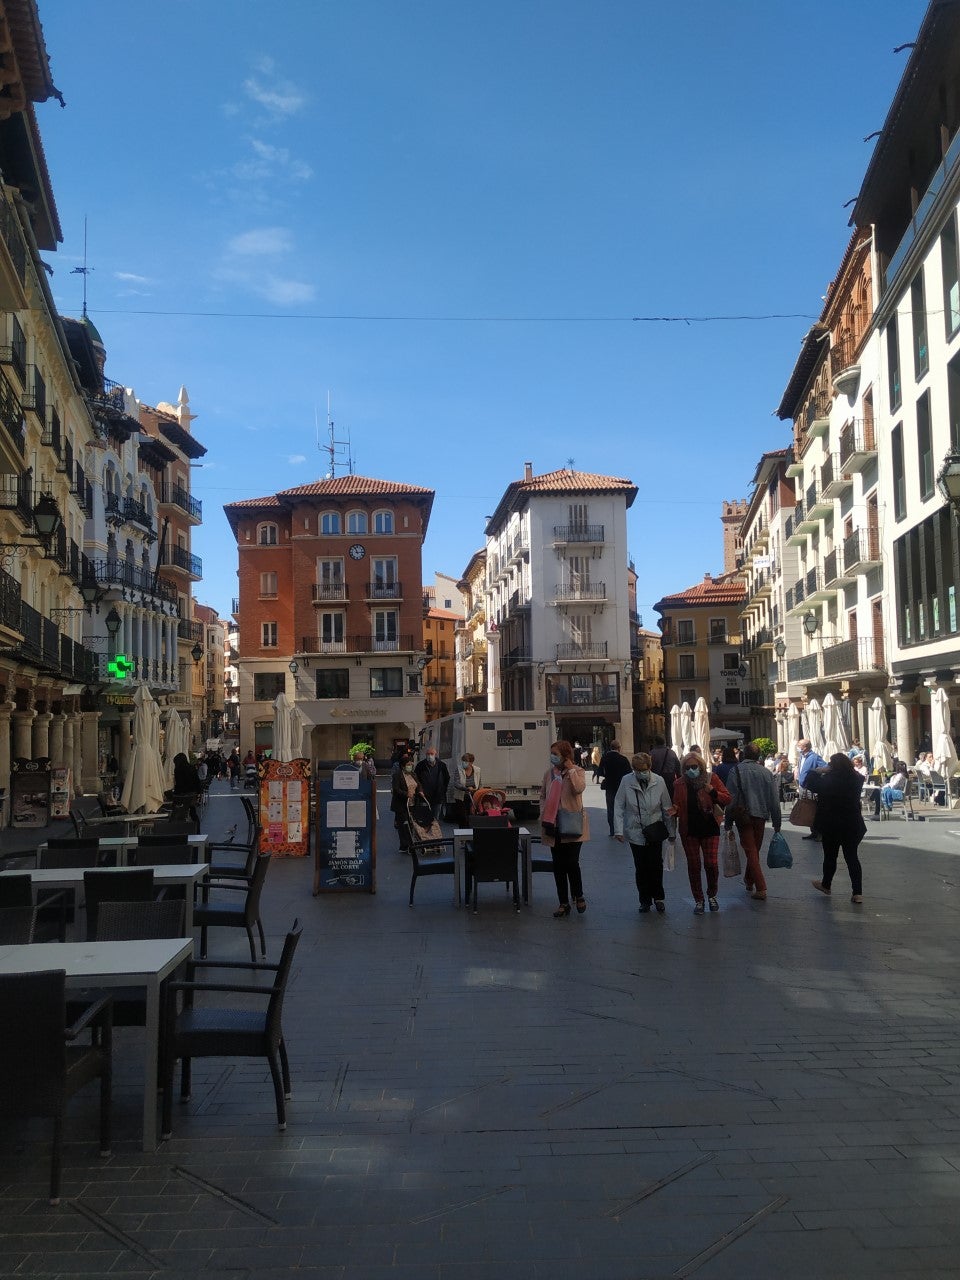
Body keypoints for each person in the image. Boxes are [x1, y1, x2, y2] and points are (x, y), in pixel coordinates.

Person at [613, 752, 676, 913]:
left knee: (656, 865)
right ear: (633, 769)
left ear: (649, 767)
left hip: (654, 829)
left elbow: (667, 807)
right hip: (635, 830)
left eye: (644, 769)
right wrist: (618, 830)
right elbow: (619, 805)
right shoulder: (626, 781)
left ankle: (659, 897)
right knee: (641, 867)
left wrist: (671, 831)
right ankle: (645, 900)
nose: (641, 772)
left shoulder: (659, 781)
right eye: (638, 770)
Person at [672, 751, 731, 914]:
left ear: (701, 766)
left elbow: (727, 798)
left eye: (694, 767)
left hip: (710, 826)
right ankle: (698, 899)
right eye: (687, 767)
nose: (691, 770)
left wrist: (713, 792)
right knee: (694, 866)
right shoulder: (679, 784)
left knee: (711, 864)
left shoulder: (712, 779)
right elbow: (677, 804)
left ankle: (712, 894)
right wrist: (674, 810)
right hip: (689, 829)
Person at [722, 741, 782, 901]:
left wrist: (728, 821)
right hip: (761, 816)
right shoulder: (766, 773)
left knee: (751, 850)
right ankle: (749, 881)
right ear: (758, 756)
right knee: (753, 849)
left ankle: (760, 887)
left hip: (743, 816)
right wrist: (777, 822)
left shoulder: (736, 771)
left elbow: (731, 798)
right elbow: (774, 800)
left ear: (743, 755)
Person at [806, 752, 867, 903]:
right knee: (852, 857)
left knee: (830, 856)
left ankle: (826, 884)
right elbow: (857, 776)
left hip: (831, 823)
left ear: (832, 766)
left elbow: (808, 782)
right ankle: (857, 892)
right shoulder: (857, 779)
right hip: (852, 823)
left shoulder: (828, 780)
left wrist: (817, 771)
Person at [539, 740, 589, 917]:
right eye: (551, 753)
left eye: (556, 754)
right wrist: (545, 812)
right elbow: (543, 795)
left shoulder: (578, 771)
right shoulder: (549, 774)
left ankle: (579, 895)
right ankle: (563, 902)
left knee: (572, 862)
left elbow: (579, 789)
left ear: (565, 756)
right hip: (553, 825)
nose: (553, 757)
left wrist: (571, 769)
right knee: (558, 866)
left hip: (572, 824)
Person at [391, 753, 435, 851]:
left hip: (413, 803)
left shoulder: (413, 774)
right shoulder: (397, 775)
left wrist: (420, 791)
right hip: (401, 804)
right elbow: (396, 789)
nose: (410, 766)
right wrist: (406, 794)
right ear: (403, 765)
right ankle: (405, 846)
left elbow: (418, 784)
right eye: (408, 765)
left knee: (412, 824)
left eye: (411, 764)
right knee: (404, 825)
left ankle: (412, 843)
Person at [598, 740, 632, 837]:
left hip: (610, 786)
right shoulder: (623, 759)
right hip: (622, 786)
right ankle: (622, 829)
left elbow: (600, 772)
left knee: (611, 808)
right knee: (623, 808)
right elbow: (629, 773)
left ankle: (612, 830)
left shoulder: (605, 758)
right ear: (619, 748)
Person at [796, 738, 827, 841]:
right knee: (809, 810)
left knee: (815, 810)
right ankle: (813, 831)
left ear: (805, 747)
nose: (798, 746)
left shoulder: (814, 757)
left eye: (799, 745)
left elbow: (825, 767)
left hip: (811, 788)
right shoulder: (801, 757)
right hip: (803, 787)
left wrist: (817, 772)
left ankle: (819, 832)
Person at [414, 747, 450, 824]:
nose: (429, 756)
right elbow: (415, 779)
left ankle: (434, 833)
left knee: (435, 817)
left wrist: (443, 789)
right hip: (424, 796)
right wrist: (419, 790)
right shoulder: (420, 765)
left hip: (437, 796)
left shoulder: (441, 765)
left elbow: (447, 778)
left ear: (435, 754)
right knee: (424, 816)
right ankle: (425, 832)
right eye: (428, 754)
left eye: (431, 754)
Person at [451, 752, 480, 826]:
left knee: (472, 815)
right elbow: (456, 783)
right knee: (462, 817)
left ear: (471, 762)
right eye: (463, 761)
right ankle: (463, 833)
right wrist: (466, 788)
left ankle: (472, 833)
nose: (464, 763)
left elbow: (479, 782)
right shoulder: (459, 769)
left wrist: (477, 790)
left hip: (473, 796)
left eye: (466, 761)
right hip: (461, 797)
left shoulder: (477, 770)